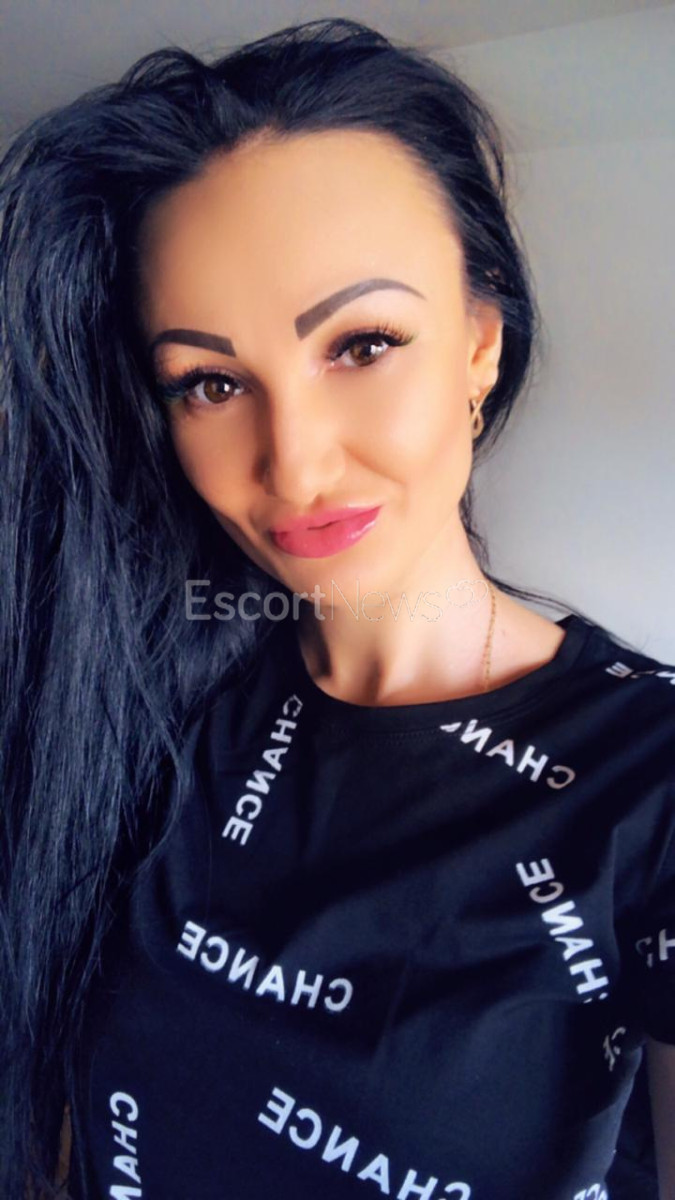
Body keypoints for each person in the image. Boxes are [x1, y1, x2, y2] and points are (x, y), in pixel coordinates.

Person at [0, 17, 673, 1200]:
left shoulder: (646, 778)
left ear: (479, 347)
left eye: (362, 345)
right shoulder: (130, 704)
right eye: (211, 382)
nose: (296, 463)